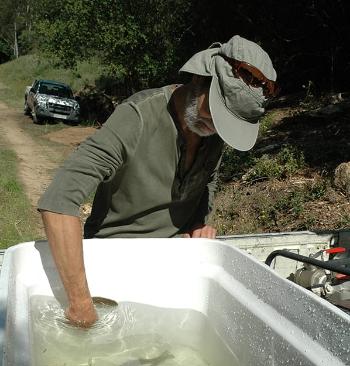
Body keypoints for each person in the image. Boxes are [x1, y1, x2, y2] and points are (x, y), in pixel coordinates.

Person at [38, 35, 277, 327]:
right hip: (114, 262)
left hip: (174, 266)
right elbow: (59, 201)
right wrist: (80, 304)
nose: (215, 127)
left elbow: (207, 181)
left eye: (226, 124)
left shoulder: (212, 135)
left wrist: (200, 222)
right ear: (198, 79)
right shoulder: (137, 117)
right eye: (214, 112)